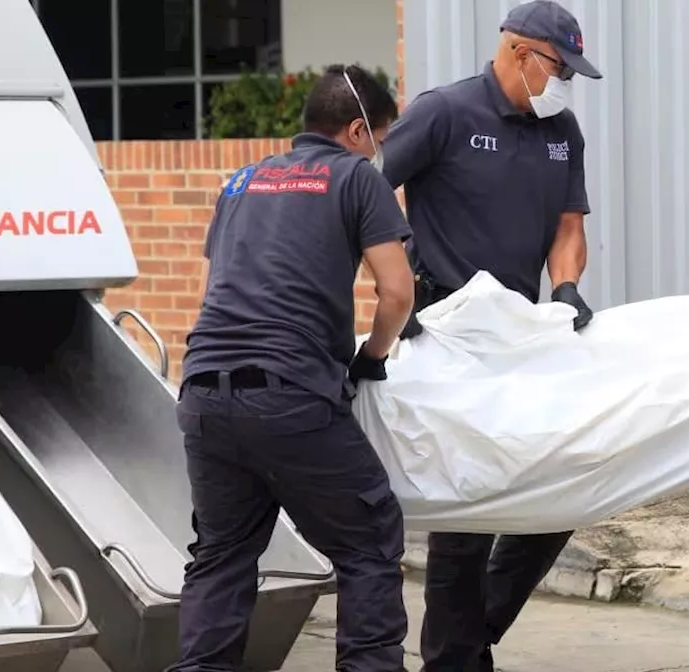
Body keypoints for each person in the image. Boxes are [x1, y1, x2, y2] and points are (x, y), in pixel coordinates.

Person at [170, 65, 415, 672]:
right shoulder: (357, 178)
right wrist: (371, 358)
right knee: (369, 539)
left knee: (222, 555)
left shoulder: (241, 181)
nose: (378, 150)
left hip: (203, 391)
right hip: (289, 393)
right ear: (359, 130)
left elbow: (216, 290)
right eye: (380, 137)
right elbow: (397, 293)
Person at [380, 1, 601, 669]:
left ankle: (470, 642)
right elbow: (362, 195)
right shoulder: (443, 113)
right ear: (518, 52)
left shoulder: (561, 128)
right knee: (465, 517)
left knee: (561, 490)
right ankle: (457, 660)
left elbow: (568, 227)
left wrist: (564, 288)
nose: (563, 83)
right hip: (445, 329)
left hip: (522, 332)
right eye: (559, 68)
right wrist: (401, 278)